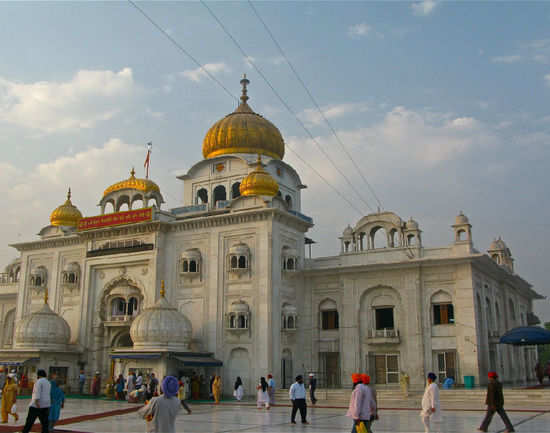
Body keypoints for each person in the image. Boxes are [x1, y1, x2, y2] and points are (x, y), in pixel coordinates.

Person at [21, 369, 50, 433]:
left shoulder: (39, 382)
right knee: (45, 423)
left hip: (36, 406)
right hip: (46, 405)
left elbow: (37, 392)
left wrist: (36, 402)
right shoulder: (48, 382)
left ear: (38, 375)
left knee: (29, 422)